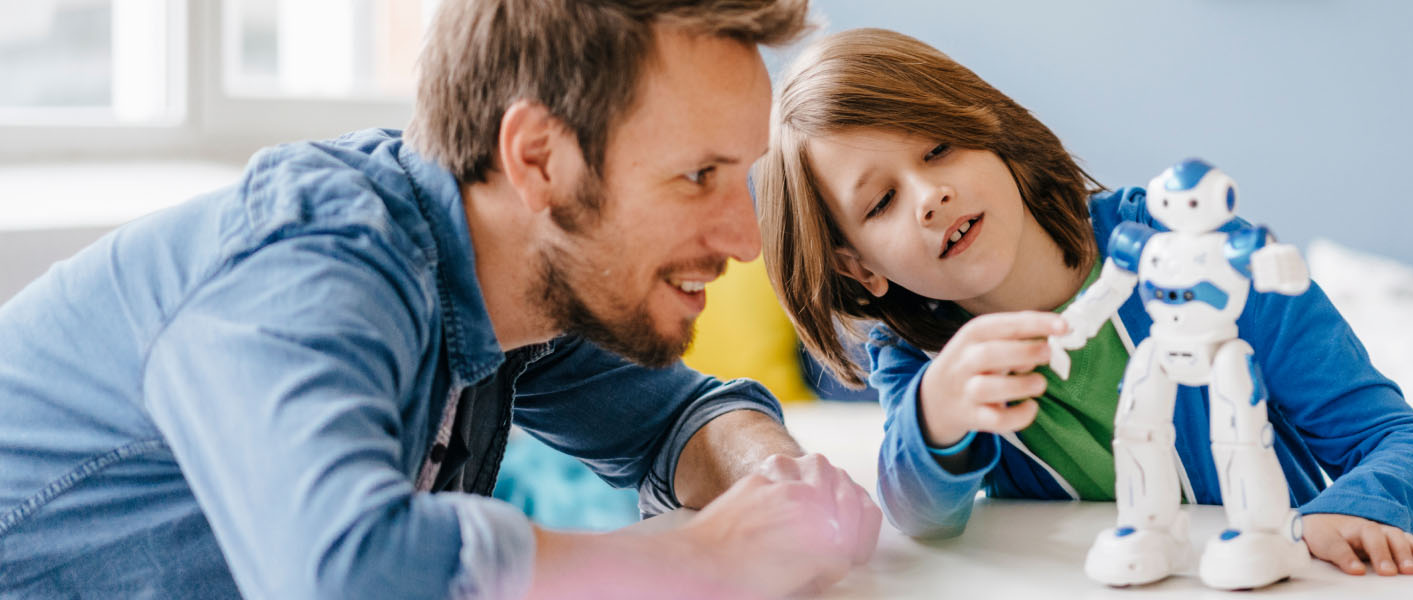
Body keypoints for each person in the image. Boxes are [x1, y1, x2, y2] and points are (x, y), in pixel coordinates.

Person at [0, 1, 880, 598]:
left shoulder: (518, 281)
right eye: (699, 177)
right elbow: (347, 570)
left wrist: (778, 483)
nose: (745, 238)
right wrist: (703, 554)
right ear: (537, 157)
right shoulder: (315, 265)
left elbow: (676, 418)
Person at [754, 27, 1413, 583]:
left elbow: (1408, 442)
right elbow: (922, 516)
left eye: (940, 148)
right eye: (880, 201)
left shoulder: (1209, 259)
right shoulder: (920, 361)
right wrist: (934, 417)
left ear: (991, 132)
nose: (928, 195)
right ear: (859, 267)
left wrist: (1349, 509)